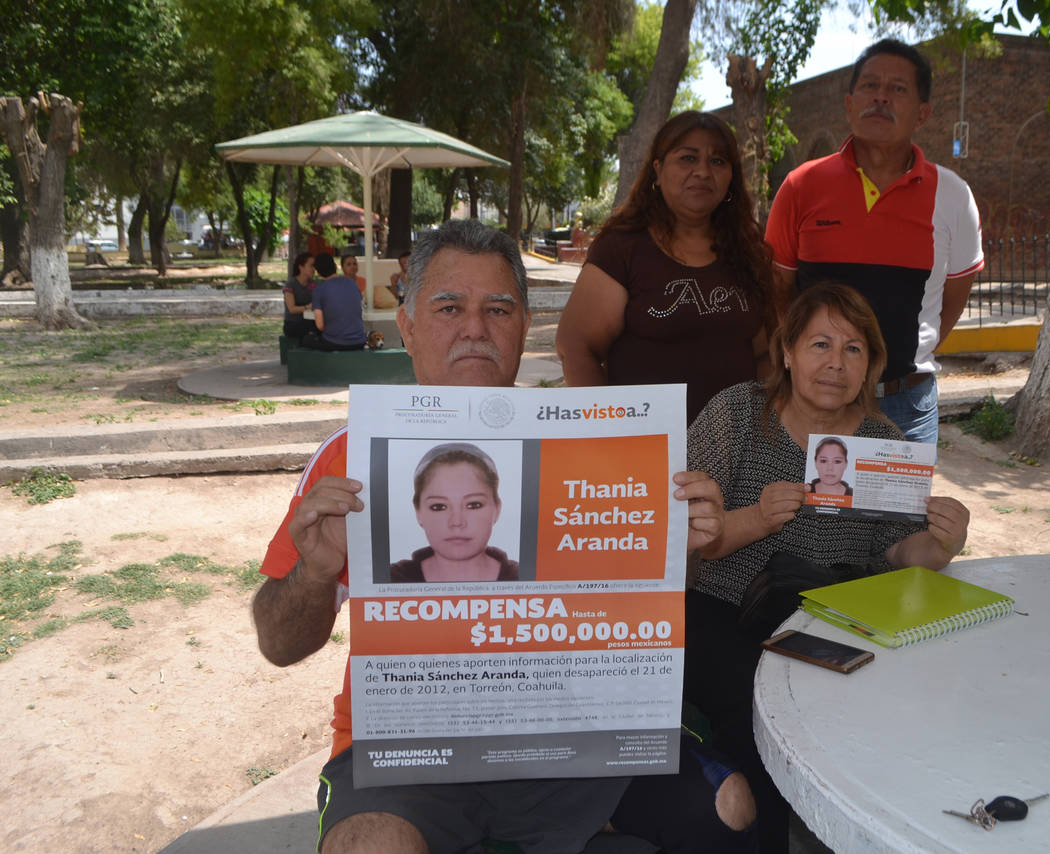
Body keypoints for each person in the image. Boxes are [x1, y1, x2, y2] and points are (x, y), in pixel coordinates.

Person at [253, 219, 756, 854]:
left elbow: (631, 625)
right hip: (404, 746)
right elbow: (278, 644)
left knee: (727, 805)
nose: (475, 328)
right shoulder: (351, 458)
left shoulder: (602, 446)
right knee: (369, 847)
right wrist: (316, 572)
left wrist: (678, 546)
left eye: (498, 309)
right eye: (448, 307)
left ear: (524, 328)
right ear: (405, 326)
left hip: (574, 734)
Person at [684, 282, 971, 851]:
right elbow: (691, 541)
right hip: (727, 612)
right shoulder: (738, 414)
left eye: (853, 350)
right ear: (786, 352)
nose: (835, 364)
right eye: (819, 344)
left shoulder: (883, 443)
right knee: (757, 714)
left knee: (878, 709)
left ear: (870, 366)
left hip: (833, 617)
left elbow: (898, 551)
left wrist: (939, 547)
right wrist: (756, 519)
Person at [765, 38, 985, 444]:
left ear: (923, 114)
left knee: (898, 512)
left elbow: (952, 302)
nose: (881, 98)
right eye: (869, 86)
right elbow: (779, 292)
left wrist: (905, 355)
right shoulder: (801, 186)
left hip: (906, 407)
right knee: (804, 510)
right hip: (813, 401)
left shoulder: (952, 197)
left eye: (898, 89)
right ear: (849, 103)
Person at [556, 111, 773, 424]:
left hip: (736, 453)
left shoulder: (748, 252)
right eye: (687, 158)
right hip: (644, 451)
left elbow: (764, 356)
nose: (702, 171)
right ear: (657, 170)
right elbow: (576, 346)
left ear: (731, 178)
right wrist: (605, 430)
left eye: (717, 161)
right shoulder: (622, 248)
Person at [389, 442, 518, 583]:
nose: (457, 522)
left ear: (497, 509)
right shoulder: (389, 578)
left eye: (474, 505)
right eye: (439, 507)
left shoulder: (527, 578)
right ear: (418, 512)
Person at [304, 252, 366, 351]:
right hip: (359, 341)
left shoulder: (319, 290)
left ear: (318, 272)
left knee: (307, 339)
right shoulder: (352, 283)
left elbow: (320, 325)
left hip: (335, 342)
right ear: (335, 266)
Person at [282, 251, 318, 340]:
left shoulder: (313, 284)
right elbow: (292, 309)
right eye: (311, 265)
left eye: (315, 266)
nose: (314, 269)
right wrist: (308, 307)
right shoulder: (291, 284)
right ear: (301, 267)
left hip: (310, 321)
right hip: (293, 324)